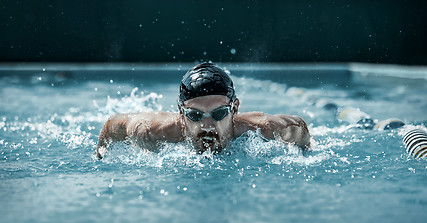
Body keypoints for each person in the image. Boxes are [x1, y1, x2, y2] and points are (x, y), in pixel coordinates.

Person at [96, 63, 311, 158]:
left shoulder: (264, 129)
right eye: (194, 115)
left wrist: (307, 148)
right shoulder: (151, 131)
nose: (207, 126)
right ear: (181, 113)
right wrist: (100, 156)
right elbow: (113, 125)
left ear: (234, 109)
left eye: (219, 113)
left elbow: (299, 127)